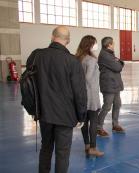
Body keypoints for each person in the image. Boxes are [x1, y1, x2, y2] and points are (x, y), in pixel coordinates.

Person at [26, 26, 87, 173]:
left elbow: (28, 84)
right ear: (68, 41)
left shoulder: (36, 55)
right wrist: (81, 115)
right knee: (63, 152)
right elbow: (80, 93)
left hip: (44, 112)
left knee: (46, 147)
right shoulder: (72, 61)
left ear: (52, 37)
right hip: (65, 115)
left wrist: (33, 108)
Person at [75, 35, 104, 157]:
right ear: (90, 45)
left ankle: (87, 145)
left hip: (81, 94)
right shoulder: (91, 60)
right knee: (93, 121)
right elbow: (88, 78)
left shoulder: (78, 58)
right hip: (91, 94)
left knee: (84, 121)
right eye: (95, 43)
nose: (96, 46)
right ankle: (93, 147)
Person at [97, 37, 125, 137]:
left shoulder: (109, 54)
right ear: (109, 45)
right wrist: (120, 62)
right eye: (113, 44)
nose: (114, 45)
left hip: (115, 84)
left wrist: (118, 61)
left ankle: (115, 124)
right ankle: (98, 127)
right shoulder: (105, 55)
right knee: (107, 106)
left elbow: (117, 64)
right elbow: (117, 67)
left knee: (117, 104)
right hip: (109, 85)